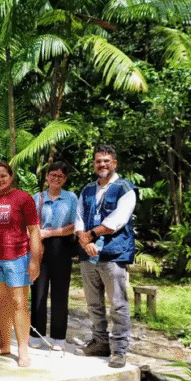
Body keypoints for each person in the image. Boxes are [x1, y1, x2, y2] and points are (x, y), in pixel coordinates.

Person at [75, 145, 136, 368]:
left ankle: (119, 350)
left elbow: (117, 221)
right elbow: (79, 217)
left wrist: (90, 236)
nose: (102, 164)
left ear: (115, 163)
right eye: (98, 161)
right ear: (94, 164)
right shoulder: (87, 189)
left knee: (118, 305)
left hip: (113, 254)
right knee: (93, 303)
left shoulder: (125, 189)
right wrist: (84, 240)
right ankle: (100, 342)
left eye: (106, 161)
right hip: (88, 255)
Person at [0, 162, 41, 367]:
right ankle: (5, 344)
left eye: (3, 176)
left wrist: (35, 260)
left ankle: (22, 350)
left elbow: (34, 230)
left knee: (19, 302)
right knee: (2, 301)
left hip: (17, 257)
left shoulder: (23, 198)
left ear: (11, 177)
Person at [29, 161, 77, 352]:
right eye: (53, 175)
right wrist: (38, 238)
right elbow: (31, 223)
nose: (56, 178)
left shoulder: (71, 198)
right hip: (39, 246)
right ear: (47, 176)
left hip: (62, 246)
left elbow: (75, 225)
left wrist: (50, 233)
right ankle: (36, 334)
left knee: (60, 293)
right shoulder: (37, 197)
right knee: (38, 291)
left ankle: (59, 337)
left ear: (65, 179)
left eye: (60, 176)